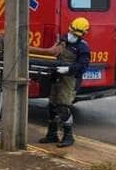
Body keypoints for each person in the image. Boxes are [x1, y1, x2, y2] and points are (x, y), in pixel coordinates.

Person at [33, 17, 91, 148]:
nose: (72, 35)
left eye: (75, 34)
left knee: (63, 107)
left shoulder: (83, 48)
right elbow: (54, 52)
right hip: (56, 76)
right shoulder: (64, 39)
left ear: (83, 34)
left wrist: (69, 69)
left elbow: (83, 67)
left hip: (70, 79)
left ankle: (68, 136)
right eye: (71, 31)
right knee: (52, 105)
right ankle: (52, 134)